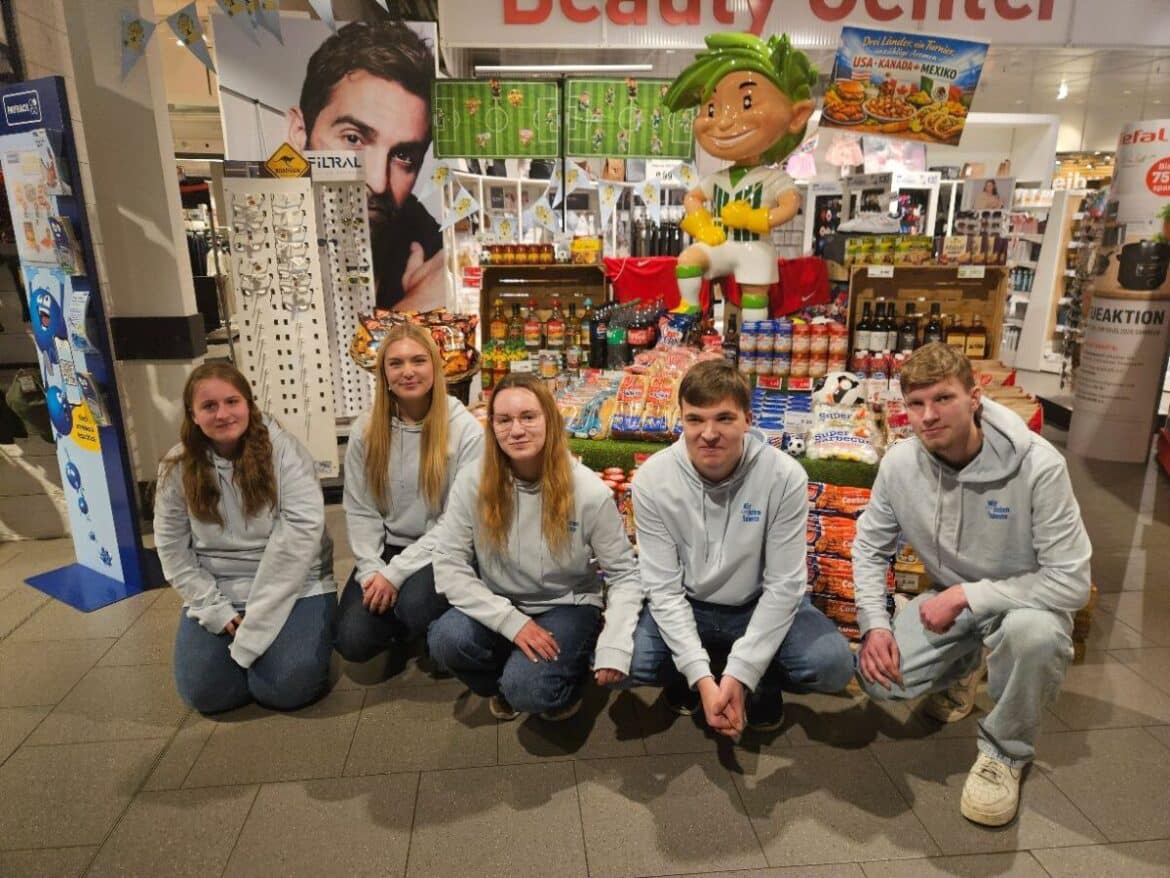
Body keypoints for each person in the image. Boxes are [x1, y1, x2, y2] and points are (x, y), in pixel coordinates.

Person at [852, 343, 1091, 827]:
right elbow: (867, 548)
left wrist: (967, 595)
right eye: (916, 404)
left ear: (975, 398)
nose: (929, 415)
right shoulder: (900, 465)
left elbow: (1071, 583)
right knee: (878, 681)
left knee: (1033, 637)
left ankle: (1005, 753)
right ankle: (964, 667)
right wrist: (875, 625)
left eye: (943, 399)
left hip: (1028, 603)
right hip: (950, 601)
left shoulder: (1039, 466)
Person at [610, 360, 854, 736]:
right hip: (689, 601)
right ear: (681, 420)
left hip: (757, 600)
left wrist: (741, 674)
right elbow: (662, 588)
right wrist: (700, 677)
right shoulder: (653, 479)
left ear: (748, 419)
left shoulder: (784, 476)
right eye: (695, 420)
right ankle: (696, 676)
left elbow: (785, 586)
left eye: (724, 418)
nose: (709, 433)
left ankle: (758, 683)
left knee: (832, 664)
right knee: (631, 662)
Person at [424, 373, 644, 721]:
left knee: (532, 691)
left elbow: (624, 576)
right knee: (446, 639)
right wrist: (511, 622)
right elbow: (449, 564)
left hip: (567, 605)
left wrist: (615, 642)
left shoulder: (588, 491)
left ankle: (552, 683)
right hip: (501, 600)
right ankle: (508, 680)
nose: (516, 430)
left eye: (528, 416)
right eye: (504, 420)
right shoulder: (472, 481)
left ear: (550, 420)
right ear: (492, 426)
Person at [154, 363, 335, 714]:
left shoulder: (286, 453)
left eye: (232, 402)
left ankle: (298, 647)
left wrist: (258, 624)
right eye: (209, 407)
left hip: (294, 584)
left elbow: (299, 540)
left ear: (249, 406)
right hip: (221, 587)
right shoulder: (176, 466)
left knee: (285, 689)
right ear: (193, 415)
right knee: (207, 695)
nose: (222, 414)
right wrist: (212, 607)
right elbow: (172, 549)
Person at [335, 323, 482, 666]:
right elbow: (360, 510)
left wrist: (395, 574)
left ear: (435, 366)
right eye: (396, 363)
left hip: (447, 549)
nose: (408, 372)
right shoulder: (366, 430)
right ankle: (405, 620)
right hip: (388, 549)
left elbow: (457, 523)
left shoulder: (464, 431)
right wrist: (372, 570)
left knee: (414, 605)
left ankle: (440, 625)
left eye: (418, 361)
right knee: (351, 641)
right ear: (383, 374)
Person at [287, 19, 445, 312]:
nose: (378, 181)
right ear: (300, 133)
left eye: (404, 157)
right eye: (353, 138)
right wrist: (412, 309)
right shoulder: (267, 242)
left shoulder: (428, 245)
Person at [662, 32, 816, 314]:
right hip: (721, 243)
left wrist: (755, 217)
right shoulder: (717, 179)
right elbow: (693, 197)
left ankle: (753, 334)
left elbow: (790, 204)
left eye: (746, 103)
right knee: (687, 260)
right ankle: (690, 306)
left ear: (797, 115)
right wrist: (701, 224)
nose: (723, 122)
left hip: (753, 246)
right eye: (712, 108)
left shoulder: (772, 178)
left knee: (755, 296)